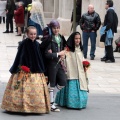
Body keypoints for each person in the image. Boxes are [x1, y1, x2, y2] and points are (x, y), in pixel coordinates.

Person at [1, 26, 50, 113]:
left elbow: (40, 55)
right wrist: (21, 67)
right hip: (24, 69)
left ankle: (36, 106)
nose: (33, 36)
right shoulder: (23, 44)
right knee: (21, 88)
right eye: (31, 34)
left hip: (35, 70)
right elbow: (20, 56)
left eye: (34, 34)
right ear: (27, 34)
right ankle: (19, 106)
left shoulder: (37, 44)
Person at [55, 32, 88, 109]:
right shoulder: (68, 50)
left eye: (79, 38)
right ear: (73, 39)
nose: (78, 40)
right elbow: (63, 60)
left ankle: (80, 103)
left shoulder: (80, 49)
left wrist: (86, 64)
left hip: (80, 74)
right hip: (71, 74)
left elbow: (82, 59)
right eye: (76, 38)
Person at [43, 20, 67, 112]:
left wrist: (63, 54)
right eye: (54, 28)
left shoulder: (60, 38)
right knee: (52, 83)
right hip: (52, 64)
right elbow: (46, 54)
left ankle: (51, 98)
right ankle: (51, 104)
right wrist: (57, 54)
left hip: (59, 63)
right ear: (51, 29)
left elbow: (63, 49)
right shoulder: (49, 39)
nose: (56, 30)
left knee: (63, 82)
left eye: (57, 28)